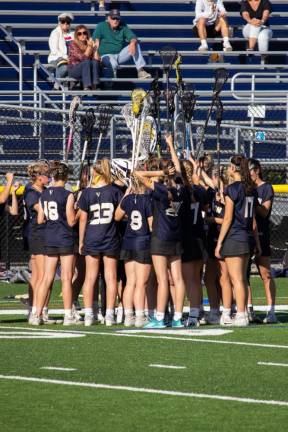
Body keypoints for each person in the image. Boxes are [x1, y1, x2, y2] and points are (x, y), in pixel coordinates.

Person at [135, 136, 187, 329]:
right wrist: (171, 145)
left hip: (160, 237)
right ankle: (178, 318)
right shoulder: (181, 188)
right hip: (176, 237)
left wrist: (161, 171)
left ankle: (158, 318)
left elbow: (137, 174)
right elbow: (179, 171)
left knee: (162, 280)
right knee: (178, 279)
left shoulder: (161, 189)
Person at [215, 155, 261, 327]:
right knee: (241, 278)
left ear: (234, 169)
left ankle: (241, 314)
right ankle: (242, 314)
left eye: (229, 166)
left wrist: (219, 243)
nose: (227, 169)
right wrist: (256, 242)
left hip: (235, 237)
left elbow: (227, 219)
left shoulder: (232, 189)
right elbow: (253, 219)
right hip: (247, 237)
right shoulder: (251, 188)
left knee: (237, 279)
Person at [33, 162, 81, 326]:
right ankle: (68, 316)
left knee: (46, 278)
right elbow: (71, 220)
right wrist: (79, 208)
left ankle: (36, 314)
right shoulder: (68, 194)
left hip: (50, 238)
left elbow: (40, 219)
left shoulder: (44, 194)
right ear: (66, 177)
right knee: (66, 278)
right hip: (65, 238)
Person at [78, 159, 123, 326]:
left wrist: (81, 241)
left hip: (92, 236)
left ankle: (89, 314)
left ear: (95, 173)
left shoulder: (87, 193)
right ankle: (110, 314)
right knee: (111, 277)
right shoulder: (114, 191)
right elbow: (120, 214)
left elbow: (83, 219)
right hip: (110, 236)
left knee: (90, 277)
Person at [115, 177, 153, 328]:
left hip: (128, 241)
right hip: (143, 242)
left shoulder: (128, 199)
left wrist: (126, 195)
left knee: (130, 282)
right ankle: (139, 316)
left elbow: (117, 216)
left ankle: (128, 315)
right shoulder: (148, 200)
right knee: (141, 283)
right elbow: (152, 225)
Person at [248, 158, 277, 324]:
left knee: (265, 273)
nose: (248, 174)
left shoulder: (266, 188)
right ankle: (248, 309)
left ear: (257, 170)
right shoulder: (246, 188)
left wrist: (251, 202)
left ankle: (271, 310)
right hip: (246, 234)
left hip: (262, 234)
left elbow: (264, 212)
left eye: (250, 170)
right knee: (244, 275)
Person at [23, 161, 51, 324]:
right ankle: (35, 310)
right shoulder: (31, 192)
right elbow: (41, 210)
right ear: (39, 177)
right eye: (46, 174)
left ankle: (41, 309)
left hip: (46, 234)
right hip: (37, 235)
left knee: (43, 275)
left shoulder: (45, 191)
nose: (49, 177)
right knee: (41, 275)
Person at [92, 9, 151, 79]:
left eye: (117, 18)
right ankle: (110, 83)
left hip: (119, 55)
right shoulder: (101, 26)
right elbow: (96, 41)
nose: (115, 20)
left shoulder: (123, 26)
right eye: (113, 18)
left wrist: (132, 43)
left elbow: (133, 37)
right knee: (113, 64)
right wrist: (95, 54)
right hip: (106, 56)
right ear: (108, 18)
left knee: (135, 44)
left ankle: (140, 71)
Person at [68, 25, 101, 90]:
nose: (82, 35)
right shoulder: (73, 44)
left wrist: (95, 48)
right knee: (86, 61)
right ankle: (87, 86)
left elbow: (97, 60)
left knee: (95, 62)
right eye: (79, 34)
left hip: (87, 68)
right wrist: (89, 47)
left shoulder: (90, 43)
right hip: (74, 69)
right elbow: (83, 58)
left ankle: (95, 85)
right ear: (76, 36)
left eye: (84, 33)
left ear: (87, 34)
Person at [48, 13, 74, 87]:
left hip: (70, 59)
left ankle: (71, 88)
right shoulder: (55, 33)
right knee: (65, 67)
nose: (65, 24)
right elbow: (54, 50)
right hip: (57, 58)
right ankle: (57, 84)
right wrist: (66, 57)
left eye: (68, 22)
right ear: (59, 23)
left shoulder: (72, 34)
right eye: (63, 22)